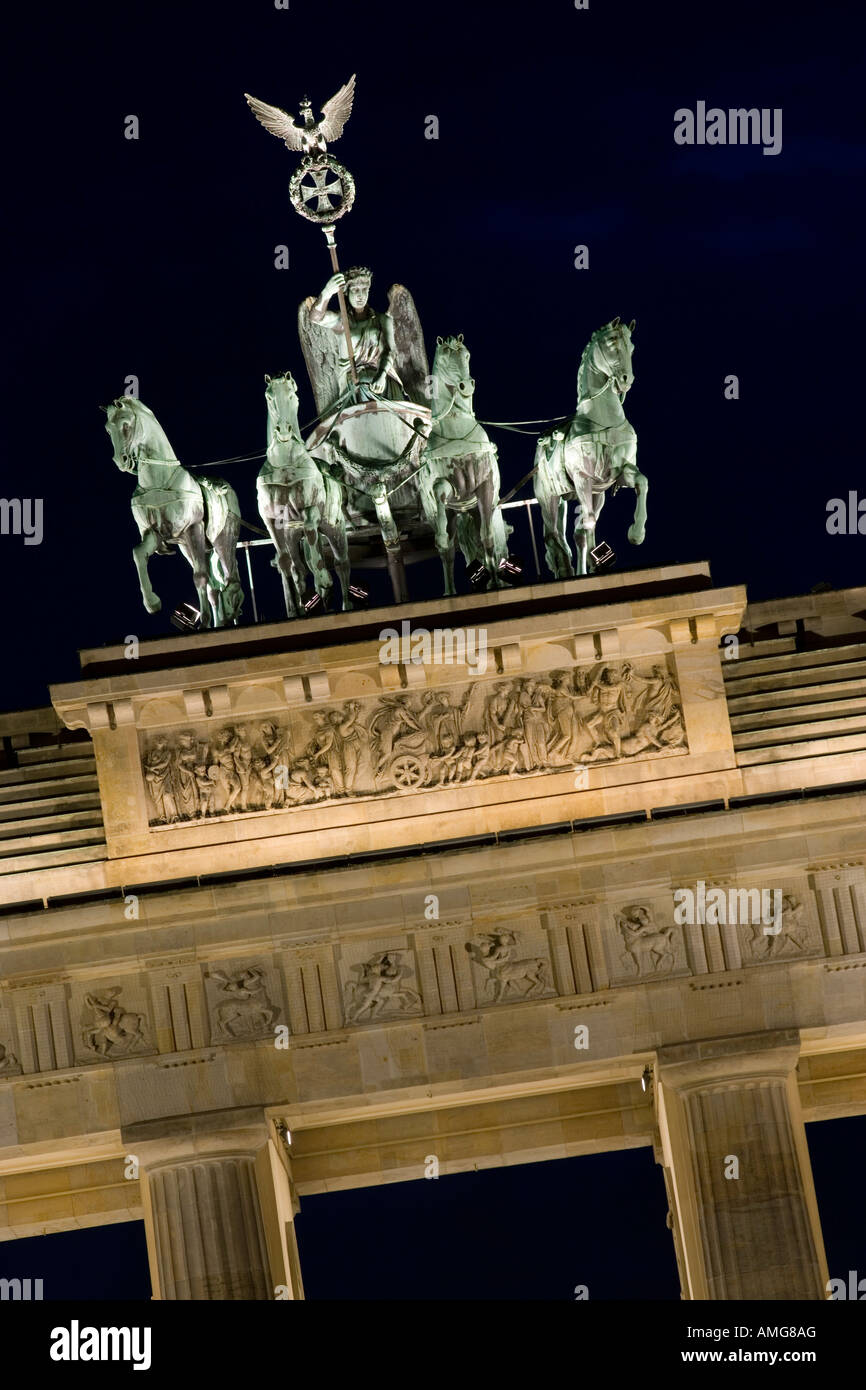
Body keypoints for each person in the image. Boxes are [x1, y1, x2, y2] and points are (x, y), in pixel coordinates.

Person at [309, 267, 404, 406]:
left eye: (364, 289)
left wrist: (382, 375)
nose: (360, 295)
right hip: (354, 385)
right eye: (355, 290)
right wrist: (328, 291)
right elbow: (316, 317)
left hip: (382, 380)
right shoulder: (342, 322)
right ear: (347, 293)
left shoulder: (383, 320)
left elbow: (390, 350)